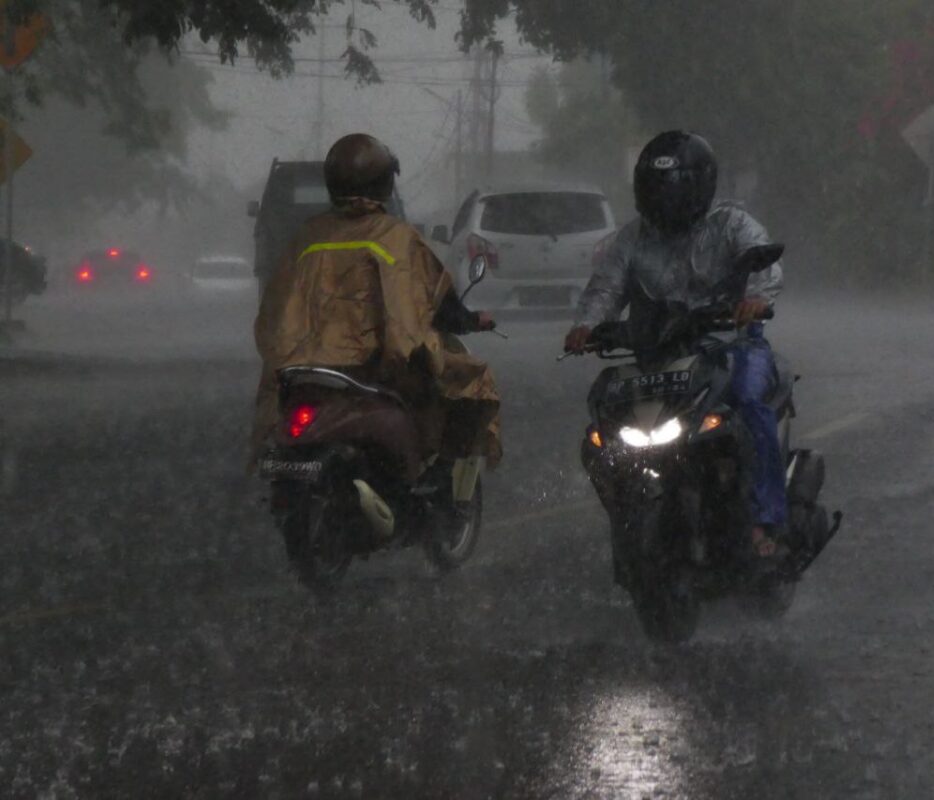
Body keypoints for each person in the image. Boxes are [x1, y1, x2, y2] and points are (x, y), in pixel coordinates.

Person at [563, 130, 786, 556]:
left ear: (699, 185)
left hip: (732, 346)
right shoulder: (632, 239)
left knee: (749, 405)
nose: (664, 197)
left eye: (674, 186)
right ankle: (628, 514)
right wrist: (587, 326)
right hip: (662, 355)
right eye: (655, 187)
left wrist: (754, 300)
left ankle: (764, 521)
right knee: (603, 424)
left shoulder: (731, 223)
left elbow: (763, 262)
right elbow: (605, 289)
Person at [251, 133, 502, 475]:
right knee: (467, 383)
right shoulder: (396, 238)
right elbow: (435, 300)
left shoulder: (306, 238)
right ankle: (429, 471)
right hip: (376, 370)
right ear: (384, 184)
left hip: (303, 369)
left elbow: (274, 311)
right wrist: (470, 320)